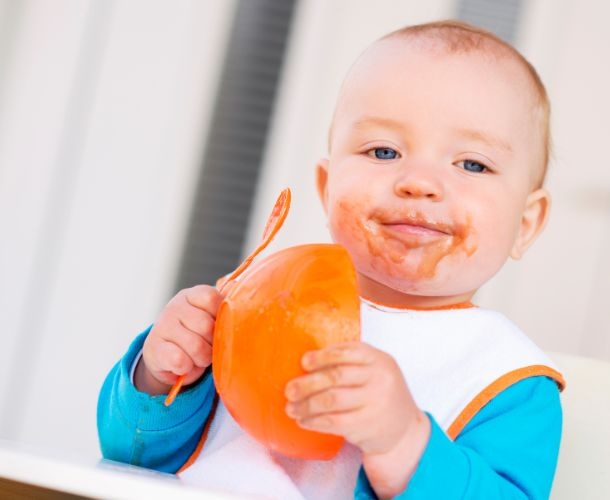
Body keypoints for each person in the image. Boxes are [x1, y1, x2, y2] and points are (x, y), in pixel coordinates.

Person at [98, 20, 565, 499]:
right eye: (383, 151)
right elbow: (128, 456)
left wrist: (406, 444)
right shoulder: (259, 303)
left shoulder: (508, 380)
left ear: (526, 223)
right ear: (326, 189)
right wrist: (159, 376)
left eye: (472, 164)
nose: (419, 181)